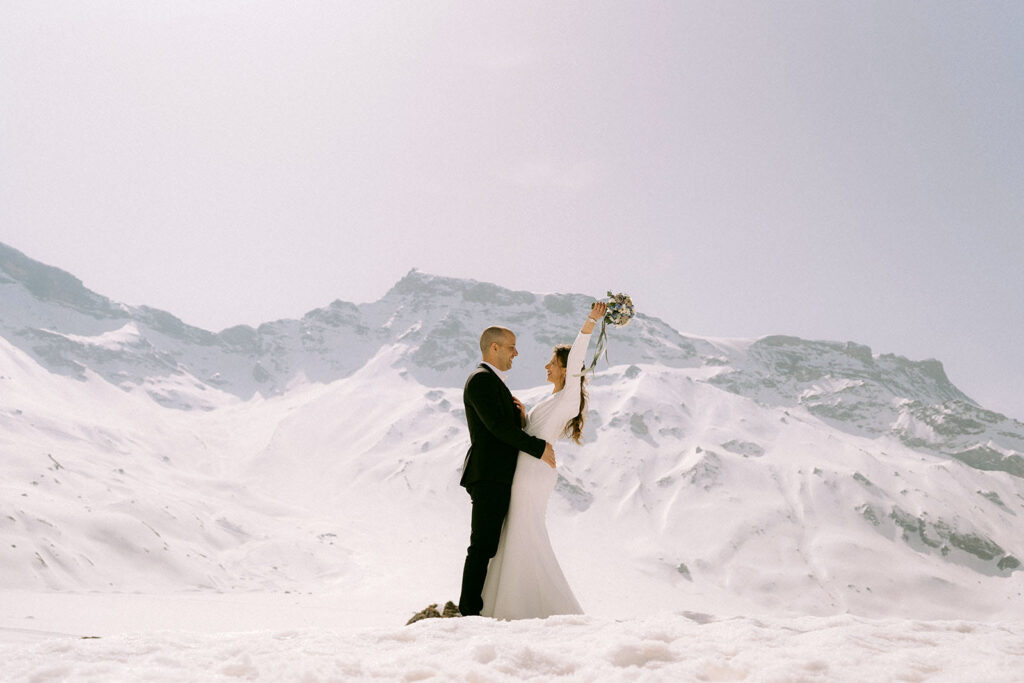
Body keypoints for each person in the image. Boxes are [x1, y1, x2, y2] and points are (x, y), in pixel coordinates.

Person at [480, 302, 607, 620]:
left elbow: (577, 357)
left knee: (526, 531)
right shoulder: (552, 398)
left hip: (534, 472)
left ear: (566, 369)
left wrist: (591, 321)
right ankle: (509, 603)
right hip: (525, 468)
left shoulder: (569, 396)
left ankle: (529, 607)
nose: (546, 368)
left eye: (552, 363)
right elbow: (531, 431)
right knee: (517, 530)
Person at [458, 325, 557, 617]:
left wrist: (521, 416)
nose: (517, 352)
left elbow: (503, 424)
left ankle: (479, 609)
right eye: (511, 346)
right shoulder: (481, 380)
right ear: (494, 348)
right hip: (488, 476)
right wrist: (538, 448)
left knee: (489, 547)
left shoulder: (494, 382)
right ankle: (469, 613)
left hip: (499, 476)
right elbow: (497, 428)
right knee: (482, 546)